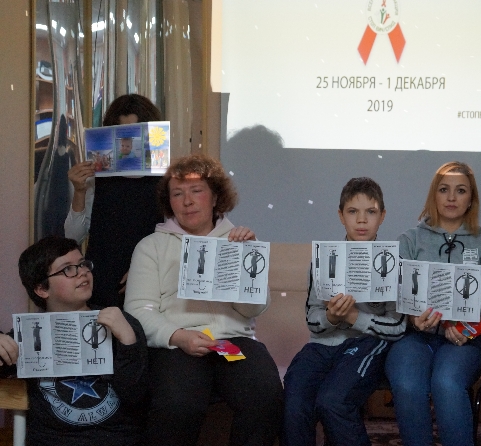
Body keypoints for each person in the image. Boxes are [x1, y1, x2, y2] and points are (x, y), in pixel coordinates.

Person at [123, 154, 284, 446]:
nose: (187, 201)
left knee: (266, 394)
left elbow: (255, 308)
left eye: (196, 191)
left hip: (232, 341)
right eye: (177, 194)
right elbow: (137, 311)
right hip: (176, 344)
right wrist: (177, 336)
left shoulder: (238, 241)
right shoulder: (151, 246)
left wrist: (246, 263)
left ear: (215, 197)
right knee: (178, 404)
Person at [282, 177, 406, 446]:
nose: (361, 220)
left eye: (370, 212)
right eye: (352, 211)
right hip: (322, 345)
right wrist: (331, 317)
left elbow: (397, 327)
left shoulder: (393, 262)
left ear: (382, 216)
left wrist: (353, 317)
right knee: (294, 401)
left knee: (333, 401)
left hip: (366, 343)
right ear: (341, 216)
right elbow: (312, 319)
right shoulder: (325, 258)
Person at [385, 161, 481, 446]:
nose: (451, 197)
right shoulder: (409, 240)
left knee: (447, 383)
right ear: (434, 195)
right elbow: (392, 294)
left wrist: (467, 330)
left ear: (471, 198)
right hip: (413, 337)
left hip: (463, 340)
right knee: (407, 384)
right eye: (444, 189)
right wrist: (411, 318)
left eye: (461, 190)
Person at [0, 236, 147, 446]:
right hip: (52, 440)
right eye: (68, 269)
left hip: (116, 438)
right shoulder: (28, 331)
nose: (82, 272)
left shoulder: (121, 322)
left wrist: (128, 342)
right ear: (42, 289)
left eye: (83, 264)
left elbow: (137, 397)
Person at [65, 94, 164, 308]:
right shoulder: (96, 176)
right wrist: (79, 191)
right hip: (103, 280)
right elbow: (73, 236)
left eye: (136, 133)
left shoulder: (167, 179)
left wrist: (145, 271)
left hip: (152, 280)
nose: (127, 143)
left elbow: (176, 236)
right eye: (121, 134)